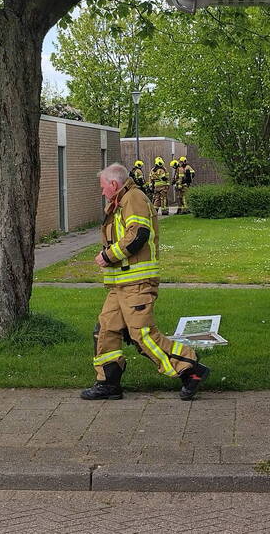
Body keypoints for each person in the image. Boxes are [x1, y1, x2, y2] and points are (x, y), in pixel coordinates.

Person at [82, 163, 210, 401]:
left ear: (113, 184)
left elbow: (138, 234)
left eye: (103, 188)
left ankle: (190, 370)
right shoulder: (120, 202)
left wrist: (107, 256)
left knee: (143, 336)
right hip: (121, 285)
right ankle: (108, 384)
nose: (102, 193)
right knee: (105, 331)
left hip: (136, 284)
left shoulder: (133, 198)